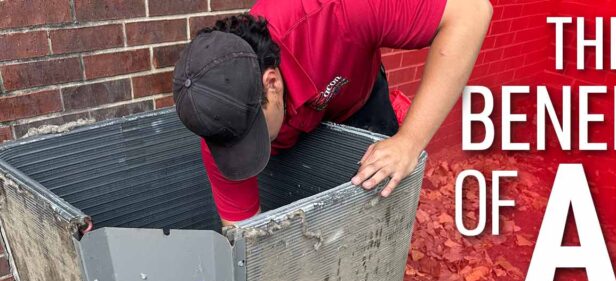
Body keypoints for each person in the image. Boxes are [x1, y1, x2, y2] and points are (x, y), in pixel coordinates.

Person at [172, 0, 492, 225]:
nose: (242, 147)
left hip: (357, 99)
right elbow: (240, 227)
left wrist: (410, 140)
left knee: (383, 189)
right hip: (293, 130)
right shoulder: (219, 124)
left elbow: (473, 12)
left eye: (251, 134)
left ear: (270, 83)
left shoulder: (338, 9)